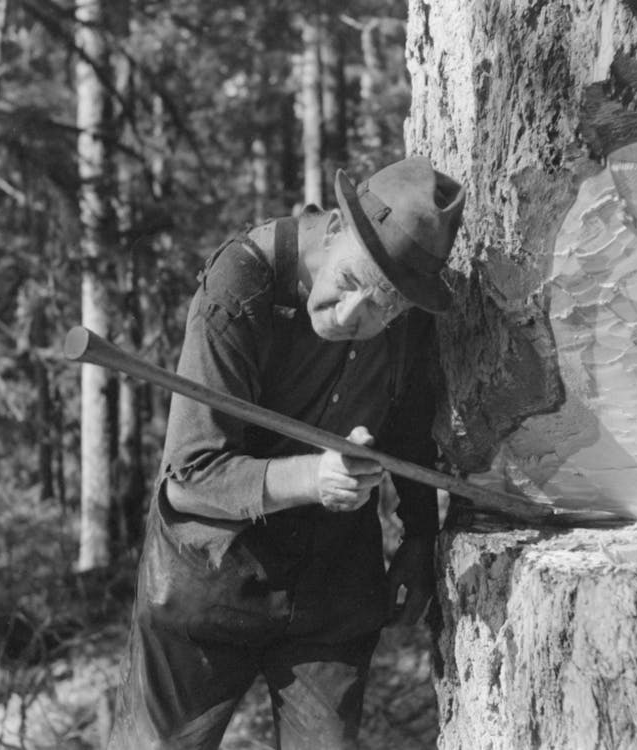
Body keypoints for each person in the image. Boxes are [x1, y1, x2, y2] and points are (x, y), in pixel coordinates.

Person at [108, 156, 466, 749]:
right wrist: (312, 477)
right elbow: (190, 474)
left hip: (330, 592)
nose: (352, 316)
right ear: (334, 230)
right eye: (350, 283)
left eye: (381, 307)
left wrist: (421, 535)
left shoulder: (406, 314)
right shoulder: (241, 282)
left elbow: (409, 432)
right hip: (207, 582)